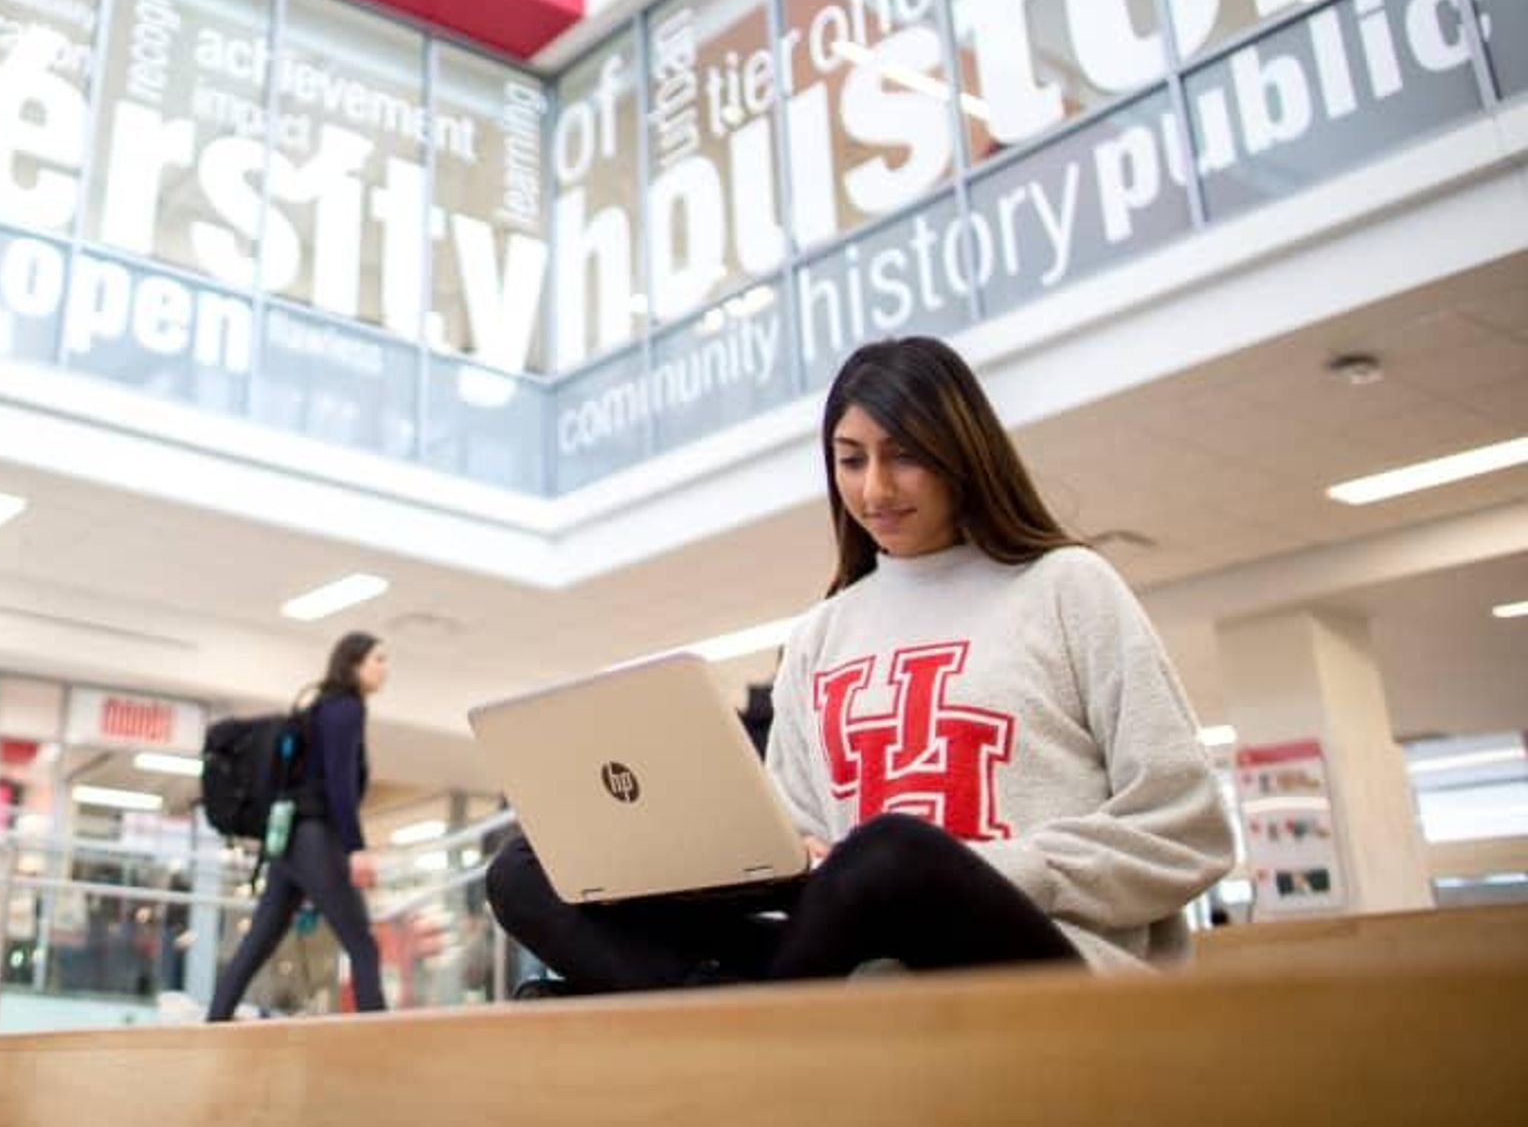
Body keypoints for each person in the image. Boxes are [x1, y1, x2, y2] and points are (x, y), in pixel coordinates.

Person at [488, 335, 1234, 991]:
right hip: (849, 961)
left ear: (962, 452)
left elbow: (1185, 825)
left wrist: (990, 869)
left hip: (1041, 951)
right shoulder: (819, 634)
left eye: (904, 455)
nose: (874, 489)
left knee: (890, 853)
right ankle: (740, 1005)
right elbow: (802, 840)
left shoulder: (1067, 587)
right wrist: (787, 857)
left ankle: (721, 1008)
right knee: (522, 870)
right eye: (851, 460)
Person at [206, 632, 389, 1020]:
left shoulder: (318, 705)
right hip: (314, 836)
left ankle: (214, 1021)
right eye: (378, 659)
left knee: (260, 940)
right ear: (354, 663)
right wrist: (355, 847)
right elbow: (340, 783)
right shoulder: (347, 708)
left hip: (289, 837)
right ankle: (378, 1037)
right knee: (362, 944)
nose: (384, 669)